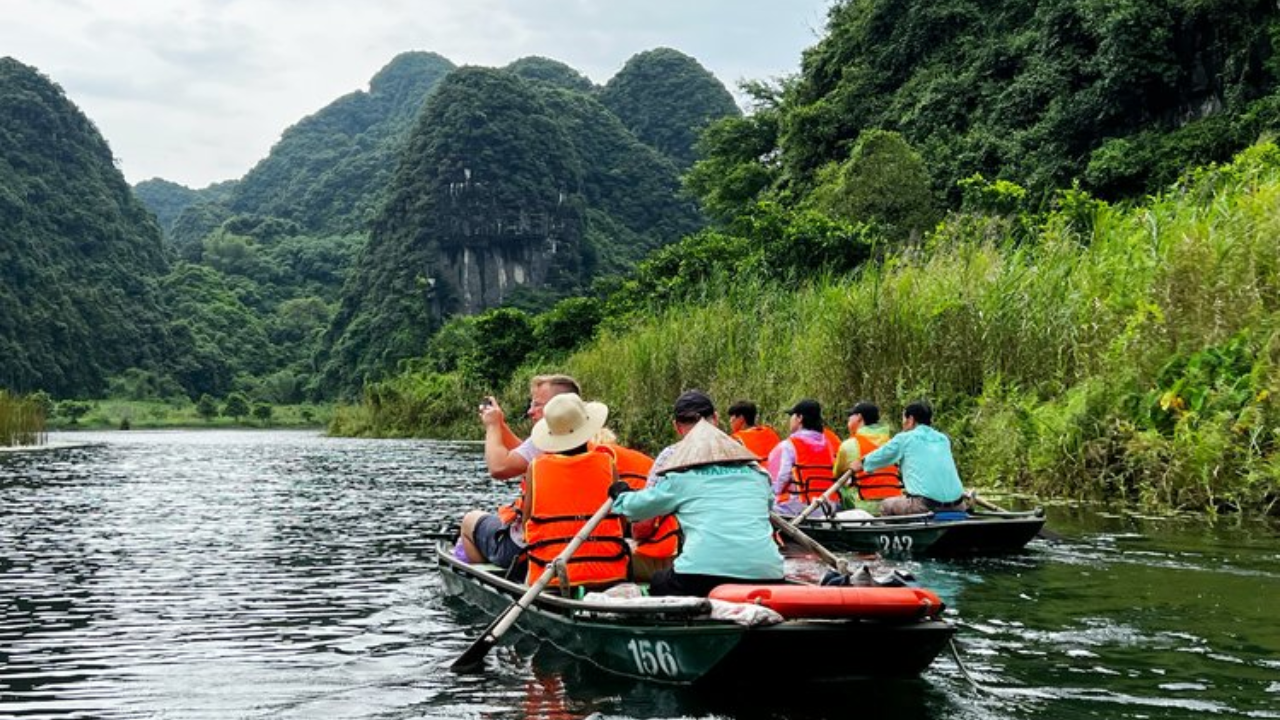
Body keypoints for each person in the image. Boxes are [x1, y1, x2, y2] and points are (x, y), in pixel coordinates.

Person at [609, 419, 784, 597]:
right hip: (768, 574)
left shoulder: (683, 479)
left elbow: (637, 509)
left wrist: (621, 494)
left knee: (658, 582)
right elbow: (767, 506)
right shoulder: (759, 477)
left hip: (701, 575)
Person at [457, 374, 581, 569]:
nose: (530, 411)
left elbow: (499, 467)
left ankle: (494, 579)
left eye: (537, 405)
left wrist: (491, 426)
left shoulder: (548, 443)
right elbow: (523, 452)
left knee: (468, 520)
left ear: (557, 408)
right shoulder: (592, 444)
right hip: (578, 545)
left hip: (531, 551)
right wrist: (500, 424)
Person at [522, 393, 629, 588]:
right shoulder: (607, 463)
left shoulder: (536, 468)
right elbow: (622, 520)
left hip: (551, 578)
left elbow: (526, 526)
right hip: (609, 574)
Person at [850, 401, 967, 517]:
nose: (903, 424)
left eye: (903, 419)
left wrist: (861, 463)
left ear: (910, 419)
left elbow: (880, 456)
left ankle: (892, 534)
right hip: (959, 504)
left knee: (886, 505)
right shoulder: (943, 439)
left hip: (925, 505)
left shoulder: (904, 439)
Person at [767, 399, 837, 515]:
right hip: (828, 505)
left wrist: (772, 493)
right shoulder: (828, 444)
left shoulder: (789, 445)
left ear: (799, 418)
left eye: (792, 416)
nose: (790, 420)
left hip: (799, 507)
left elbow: (782, 478)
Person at [832, 401, 901, 505]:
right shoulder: (893, 443)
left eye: (850, 415)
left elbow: (836, 474)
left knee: (842, 491)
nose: (848, 419)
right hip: (895, 502)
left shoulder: (849, 445)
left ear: (859, 417)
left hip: (865, 505)